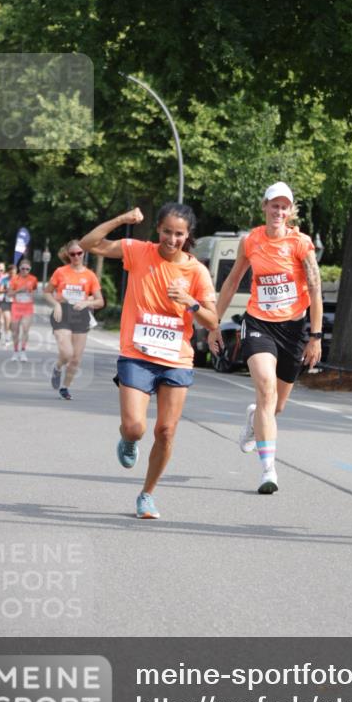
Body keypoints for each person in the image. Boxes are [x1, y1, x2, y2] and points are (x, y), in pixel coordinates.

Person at [79, 203, 218, 520]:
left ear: (188, 235)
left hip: (176, 359)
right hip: (137, 354)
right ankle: (128, 440)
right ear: (158, 229)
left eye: (179, 234)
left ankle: (147, 495)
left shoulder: (196, 271)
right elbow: (88, 245)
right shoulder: (138, 251)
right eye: (167, 231)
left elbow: (212, 320)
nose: (172, 239)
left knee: (166, 431)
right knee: (135, 427)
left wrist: (191, 303)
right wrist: (122, 219)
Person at [208, 182, 323, 495]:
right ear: (265, 207)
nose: (279, 211)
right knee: (265, 388)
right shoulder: (252, 241)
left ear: (291, 211)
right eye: (275, 205)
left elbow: (314, 288)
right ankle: (268, 470)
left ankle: (253, 419)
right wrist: (214, 323)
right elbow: (232, 282)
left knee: (276, 406)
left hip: (294, 329)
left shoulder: (301, 243)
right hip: (259, 322)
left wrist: (316, 335)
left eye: (285, 207)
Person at [43, 241, 104, 401]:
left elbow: (100, 301)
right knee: (67, 353)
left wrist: (87, 302)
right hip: (62, 313)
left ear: (84, 254)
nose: (76, 256)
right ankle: (57, 367)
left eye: (79, 253)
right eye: (73, 254)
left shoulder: (90, 275)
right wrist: (56, 304)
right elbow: (47, 292)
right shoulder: (60, 272)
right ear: (68, 255)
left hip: (80, 315)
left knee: (76, 358)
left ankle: (65, 387)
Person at [8, 258, 38, 362]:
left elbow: (35, 291)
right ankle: (15, 351)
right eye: (23, 268)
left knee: (25, 329)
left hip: (28, 307)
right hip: (16, 307)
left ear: (30, 269)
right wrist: (19, 290)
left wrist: (31, 294)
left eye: (27, 269)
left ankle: (23, 351)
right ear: (19, 268)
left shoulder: (33, 279)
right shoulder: (14, 279)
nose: (25, 271)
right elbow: (9, 294)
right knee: (15, 331)